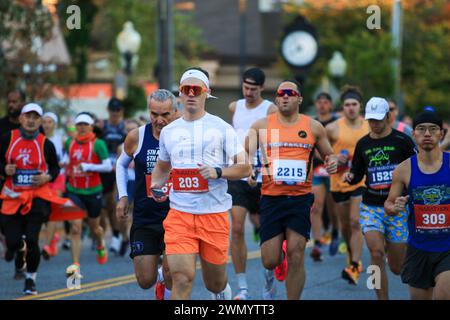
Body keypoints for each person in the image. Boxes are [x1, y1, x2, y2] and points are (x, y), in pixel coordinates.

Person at [150, 67, 251, 300]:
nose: (192, 94)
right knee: (182, 277)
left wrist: (218, 171)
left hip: (213, 214)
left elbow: (244, 167)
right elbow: (163, 167)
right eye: (187, 89)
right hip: (180, 214)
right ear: (181, 95)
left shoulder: (221, 128)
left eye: (197, 89)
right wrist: (157, 186)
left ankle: (222, 291)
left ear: (207, 93)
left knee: (214, 283)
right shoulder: (169, 131)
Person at [246, 80, 338, 300]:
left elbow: (329, 154)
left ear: (299, 99)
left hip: (300, 199)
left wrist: (333, 162)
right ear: (276, 99)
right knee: (269, 259)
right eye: (281, 93)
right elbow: (246, 154)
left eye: (290, 93)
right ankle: (278, 262)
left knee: (298, 253)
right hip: (271, 198)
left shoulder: (314, 126)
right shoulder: (261, 126)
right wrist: (250, 168)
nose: (285, 97)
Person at [344, 97, 416, 299]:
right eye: (371, 120)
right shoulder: (363, 144)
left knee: (396, 267)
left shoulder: (402, 141)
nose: (374, 124)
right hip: (371, 207)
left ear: (388, 116)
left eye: (378, 119)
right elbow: (357, 173)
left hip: (397, 208)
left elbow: (416, 171)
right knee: (375, 253)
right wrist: (350, 177)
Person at [116, 89, 178, 300]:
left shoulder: (183, 136)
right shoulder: (137, 136)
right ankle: (159, 280)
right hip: (145, 217)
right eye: (154, 114)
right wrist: (123, 196)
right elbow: (121, 164)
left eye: (165, 115)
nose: (159, 120)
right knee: (145, 280)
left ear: (175, 112)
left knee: (173, 272)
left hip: (176, 216)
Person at [385, 110, 450, 300]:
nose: (427, 134)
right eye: (421, 130)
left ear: (441, 134)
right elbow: (388, 205)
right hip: (418, 248)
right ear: (413, 134)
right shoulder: (403, 169)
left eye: (432, 129)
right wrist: (394, 207)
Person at [0, 103, 63, 295]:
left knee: (33, 240)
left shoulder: (46, 143)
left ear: (40, 122)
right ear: (21, 119)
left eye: (36, 117)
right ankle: (19, 250)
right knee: (12, 242)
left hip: (37, 198)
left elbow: (55, 168)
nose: (31, 120)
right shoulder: (7, 139)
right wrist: (4, 169)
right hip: (12, 197)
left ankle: (30, 280)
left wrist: (47, 177)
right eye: (28, 116)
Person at [227, 67, 277, 300]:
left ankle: (269, 279)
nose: (248, 92)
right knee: (236, 227)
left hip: (262, 174)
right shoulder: (234, 107)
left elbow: (274, 145)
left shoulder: (270, 109)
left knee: (268, 232)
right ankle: (243, 287)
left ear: (261, 88)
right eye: (245, 87)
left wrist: (261, 169)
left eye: (253, 89)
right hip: (238, 173)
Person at [326, 86, 369, 285]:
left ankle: (354, 265)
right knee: (345, 227)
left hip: (361, 181)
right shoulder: (333, 128)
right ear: (342, 107)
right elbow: (321, 152)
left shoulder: (369, 126)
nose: (350, 108)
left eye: (354, 104)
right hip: (339, 183)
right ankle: (352, 255)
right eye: (347, 105)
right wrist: (334, 159)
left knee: (355, 222)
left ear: (360, 106)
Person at [64, 113, 112, 278]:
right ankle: (75, 265)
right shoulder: (70, 142)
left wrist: (89, 166)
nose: (82, 127)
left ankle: (100, 243)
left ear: (91, 127)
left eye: (85, 124)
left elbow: (107, 166)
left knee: (95, 228)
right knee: (75, 228)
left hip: (93, 192)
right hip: (74, 191)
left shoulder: (98, 144)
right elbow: (67, 161)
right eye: (79, 125)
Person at [311, 92, 340, 261]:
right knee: (316, 206)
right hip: (316, 170)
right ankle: (317, 242)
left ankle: (335, 232)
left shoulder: (337, 123)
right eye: (319, 102)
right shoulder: (312, 123)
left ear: (330, 104)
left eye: (325, 102)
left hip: (334, 170)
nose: (322, 105)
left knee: (333, 207)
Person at [0, 89, 26, 277]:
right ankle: (11, 244)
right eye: (9, 101)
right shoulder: (1, 125)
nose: (11, 105)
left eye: (15, 101)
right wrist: (4, 169)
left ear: (23, 103)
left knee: (24, 226)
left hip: (28, 187)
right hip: (4, 185)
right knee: (7, 224)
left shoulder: (32, 127)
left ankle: (19, 261)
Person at [98, 97, 128, 255]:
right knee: (102, 208)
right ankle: (108, 235)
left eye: (118, 110)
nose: (115, 113)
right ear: (108, 110)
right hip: (102, 170)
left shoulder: (125, 128)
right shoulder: (102, 126)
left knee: (112, 203)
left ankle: (117, 237)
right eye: (113, 110)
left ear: (121, 111)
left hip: (118, 169)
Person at [41, 112, 65, 259]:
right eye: (44, 122)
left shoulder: (60, 140)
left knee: (53, 212)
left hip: (58, 178)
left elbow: (69, 155)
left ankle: (47, 246)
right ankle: (53, 238)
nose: (47, 124)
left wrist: (64, 162)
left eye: (50, 122)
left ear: (54, 124)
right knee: (43, 212)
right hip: (42, 179)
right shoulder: (39, 140)